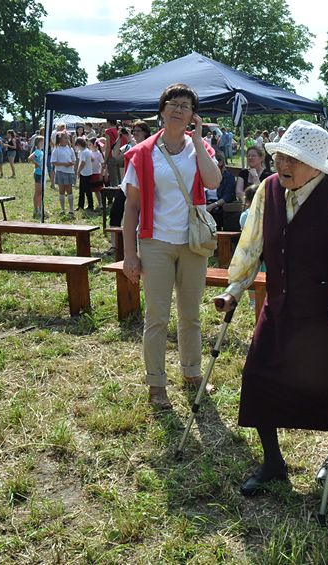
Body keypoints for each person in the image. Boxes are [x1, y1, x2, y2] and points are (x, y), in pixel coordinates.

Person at [213, 119, 328, 496]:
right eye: (282, 156)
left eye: (295, 160)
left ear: (317, 165)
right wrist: (235, 287)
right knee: (258, 377)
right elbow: (252, 244)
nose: (284, 165)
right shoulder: (268, 190)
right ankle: (272, 462)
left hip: (325, 312)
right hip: (280, 304)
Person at [121, 83, 221, 409]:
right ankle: (156, 384)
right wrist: (129, 255)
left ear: (194, 115)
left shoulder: (200, 147)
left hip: (192, 242)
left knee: (191, 314)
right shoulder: (142, 153)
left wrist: (197, 140)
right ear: (162, 110)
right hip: (155, 242)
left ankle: (192, 373)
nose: (179, 109)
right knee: (157, 317)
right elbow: (131, 208)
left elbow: (214, 182)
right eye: (173, 103)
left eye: (186, 106)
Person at [110, 121, 151, 253]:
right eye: (133, 131)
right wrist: (118, 138)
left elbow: (138, 153)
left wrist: (130, 140)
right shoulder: (128, 145)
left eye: (138, 130)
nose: (135, 133)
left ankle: (138, 246)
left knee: (139, 217)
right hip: (126, 185)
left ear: (145, 132)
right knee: (115, 213)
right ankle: (114, 245)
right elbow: (116, 156)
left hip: (143, 187)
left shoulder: (150, 145)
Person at [206, 154, 237, 229]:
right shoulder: (204, 175)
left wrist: (212, 205)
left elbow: (228, 196)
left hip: (220, 206)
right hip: (206, 204)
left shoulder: (228, 177)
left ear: (220, 162)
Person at [51, 131, 76, 217]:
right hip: (60, 172)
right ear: (60, 139)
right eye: (65, 138)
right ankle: (62, 209)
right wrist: (64, 164)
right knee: (61, 190)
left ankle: (71, 209)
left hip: (69, 171)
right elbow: (53, 162)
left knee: (69, 190)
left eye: (67, 138)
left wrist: (71, 163)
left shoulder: (70, 149)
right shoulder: (56, 149)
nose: (67, 139)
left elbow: (74, 160)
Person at [30, 136, 44, 217]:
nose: (43, 144)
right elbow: (30, 158)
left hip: (42, 173)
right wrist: (37, 164)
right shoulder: (37, 151)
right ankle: (36, 209)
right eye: (42, 142)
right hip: (38, 174)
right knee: (38, 192)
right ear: (38, 143)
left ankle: (40, 208)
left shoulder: (41, 152)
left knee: (40, 192)